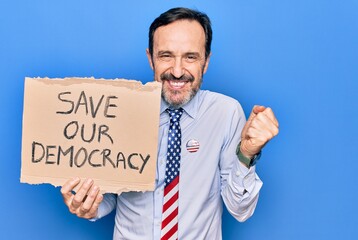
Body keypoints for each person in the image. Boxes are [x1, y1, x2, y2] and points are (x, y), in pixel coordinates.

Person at [61, 7, 279, 240]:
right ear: (150, 59)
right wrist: (88, 203)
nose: (177, 71)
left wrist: (246, 154)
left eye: (190, 57)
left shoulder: (226, 113)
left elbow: (240, 209)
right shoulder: (122, 109)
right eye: (166, 55)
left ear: (206, 62)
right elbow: (111, 196)